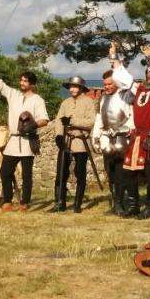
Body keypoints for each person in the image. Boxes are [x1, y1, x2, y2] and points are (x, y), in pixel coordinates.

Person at [111, 43, 150, 219]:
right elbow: (123, 78)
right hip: (137, 136)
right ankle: (134, 205)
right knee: (130, 171)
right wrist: (114, 58)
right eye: (148, 74)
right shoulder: (139, 89)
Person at [0, 70, 48, 212]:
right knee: (5, 171)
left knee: (27, 175)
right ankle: (7, 202)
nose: (22, 83)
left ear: (32, 84)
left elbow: (44, 119)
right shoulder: (13, 94)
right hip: (14, 140)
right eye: (21, 80)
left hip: (28, 140)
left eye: (25, 81)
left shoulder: (38, 100)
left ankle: (24, 203)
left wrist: (33, 124)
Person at [52, 76, 98, 213]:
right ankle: (60, 202)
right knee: (61, 172)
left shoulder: (89, 102)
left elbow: (91, 122)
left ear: (81, 88)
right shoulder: (65, 103)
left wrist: (73, 121)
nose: (72, 89)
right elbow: (58, 120)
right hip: (66, 141)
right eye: (71, 86)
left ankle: (77, 204)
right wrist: (59, 135)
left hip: (80, 141)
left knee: (80, 173)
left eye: (75, 86)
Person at [91, 69, 131, 215]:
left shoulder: (125, 97)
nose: (106, 87)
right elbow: (100, 119)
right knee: (111, 173)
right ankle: (115, 203)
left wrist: (122, 129)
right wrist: (95, 137)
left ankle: (120, 204)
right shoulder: (103, 99)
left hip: (122, 139)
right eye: (105, 85)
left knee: (121, 174)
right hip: (107, 139)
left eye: (109, 84)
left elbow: (131, 118)